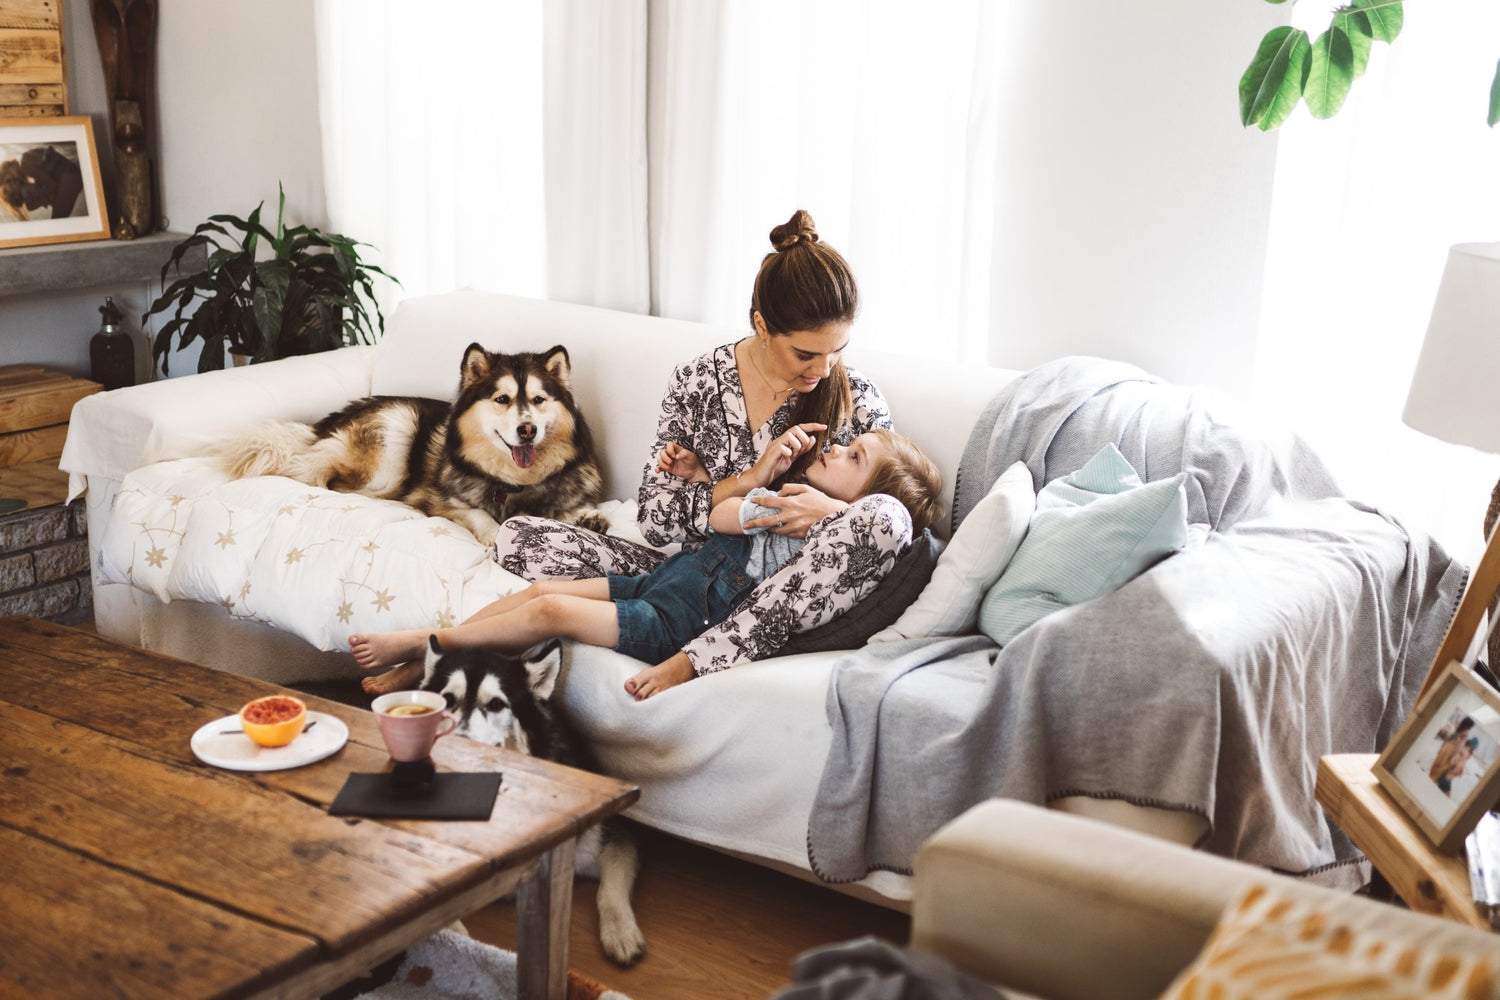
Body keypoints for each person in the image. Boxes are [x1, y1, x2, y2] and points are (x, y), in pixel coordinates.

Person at [469, 209, 911, 683]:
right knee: (519, 538)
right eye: (806, 353)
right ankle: (448, 650)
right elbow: (656, 519)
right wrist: (741, 484)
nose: (824, 369)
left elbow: (883, 522)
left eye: (837, 350)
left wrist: (825, 512)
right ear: (762, 325)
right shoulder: (697, 381)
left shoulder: (857, 401)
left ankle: (681, 629)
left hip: (763, 590)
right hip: (683, 565)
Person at [350, 429, 942, 699]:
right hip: (671, 572)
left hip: (687, 615)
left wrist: (683, 665)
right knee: (537, 589)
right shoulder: (787, 496)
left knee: (552, 607)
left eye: (854, 454)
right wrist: (732, 481)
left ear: (863, 498)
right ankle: (428, 659)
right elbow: (719, 519)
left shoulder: (871, 524)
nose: (837, 446)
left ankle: (422, 645)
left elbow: (781, 603)